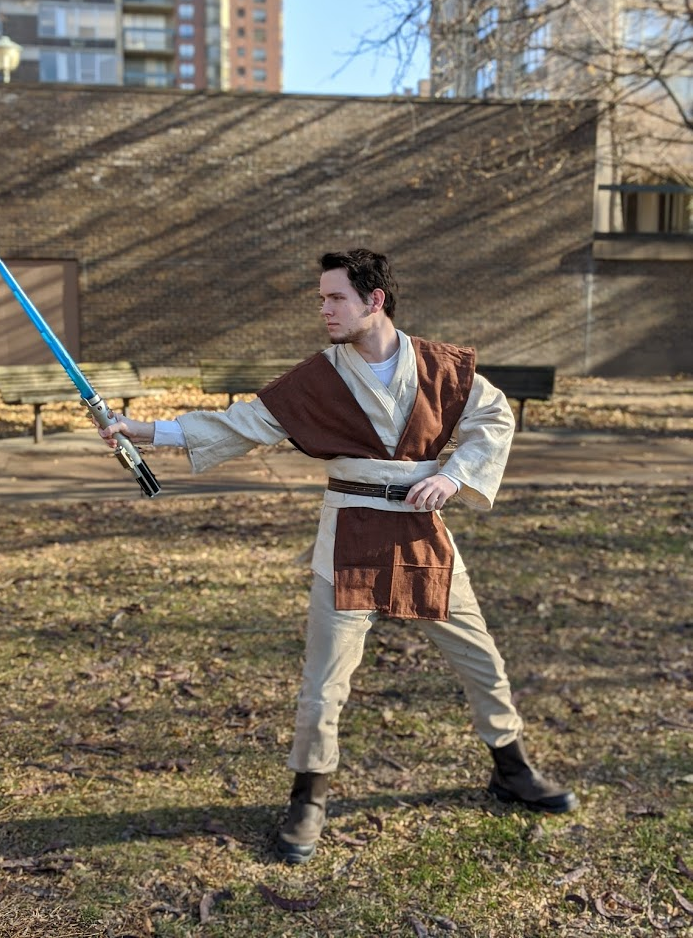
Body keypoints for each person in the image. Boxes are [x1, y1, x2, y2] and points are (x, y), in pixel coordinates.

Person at [97, 248, 577, 865]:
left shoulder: (440, 366)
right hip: (347, 538)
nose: (324, 309)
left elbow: (493, 418)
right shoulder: (319, 377)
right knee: (324, 682)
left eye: (335, 298)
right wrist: (142, 430)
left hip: (421, 534)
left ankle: (511, 769)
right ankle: (309, 798)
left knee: (481, 661)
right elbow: (242, 424)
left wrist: (454, 476)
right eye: (322, 299)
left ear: (374, 300)